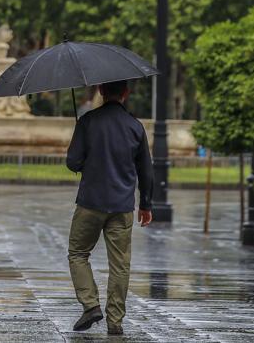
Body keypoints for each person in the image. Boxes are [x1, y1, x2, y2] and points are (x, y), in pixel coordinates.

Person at [65, 79, 153, 336]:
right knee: (120, 264)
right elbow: (146, 171)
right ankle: (115, 321)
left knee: (78, 253)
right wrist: (146, 204)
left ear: (101, 91)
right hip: (122, 205)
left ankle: (90, 305)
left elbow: (73, 162)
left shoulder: (87, 122)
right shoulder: (135, 127)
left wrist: (85, 160)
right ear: (125, 93)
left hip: (91, 202)